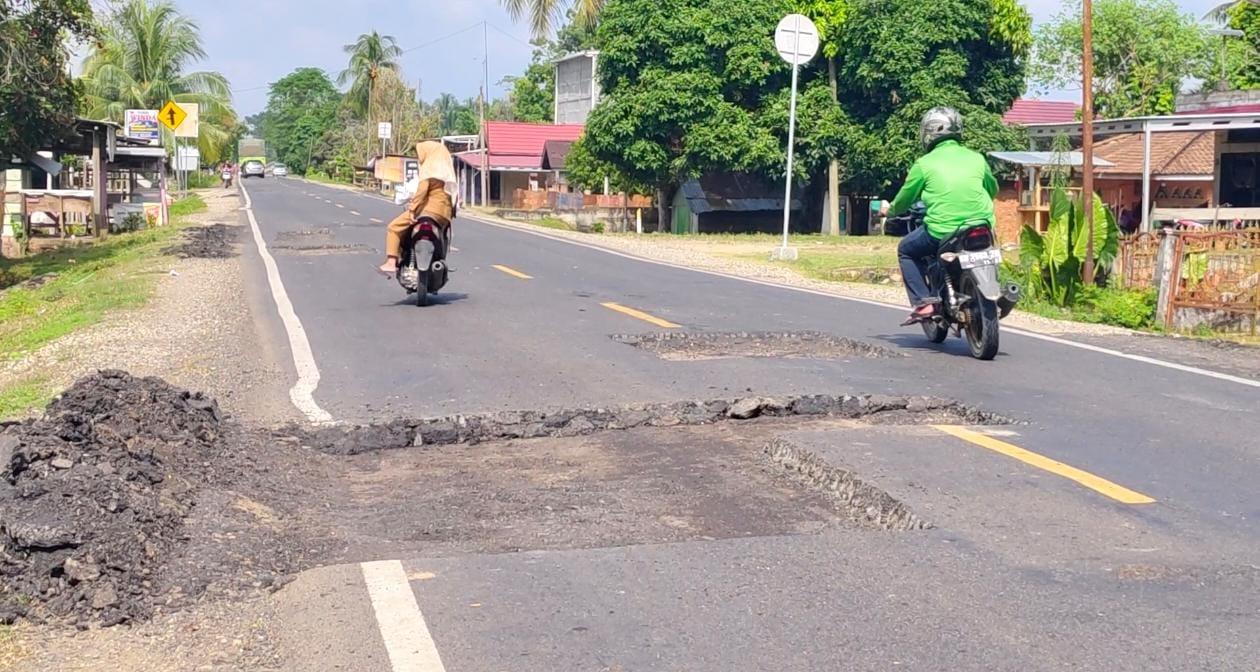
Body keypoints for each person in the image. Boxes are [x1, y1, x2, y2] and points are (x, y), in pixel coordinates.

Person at [881, 107, 997, 325]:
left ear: (928, 133)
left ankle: (924, 301)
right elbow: (992, 188)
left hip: (942, 230)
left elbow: (905, 199)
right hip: (981, 225)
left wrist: (890, 211)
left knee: (906, 250)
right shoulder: (977, 158)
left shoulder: (924, 164)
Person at [379, 141, 457, 276]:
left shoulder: (429, 169)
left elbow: (421, 192)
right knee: (443, 237)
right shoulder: (447, 172)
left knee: (393, 227)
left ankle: (391, 262)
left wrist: (412, 210)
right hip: (444, 215)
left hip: (428, 211)